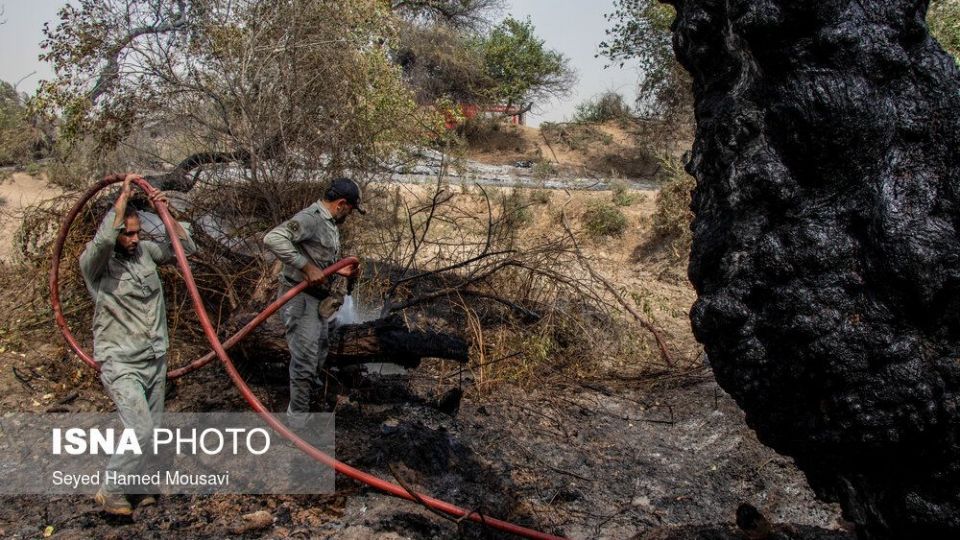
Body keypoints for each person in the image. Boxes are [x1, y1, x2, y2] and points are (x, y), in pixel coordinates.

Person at [79, 173, 197, 515]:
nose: (132, 239)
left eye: (136, 233)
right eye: (126, 233)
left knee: (152, 430)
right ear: (115, 231)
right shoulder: (96, 266)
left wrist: (165, 211)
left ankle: (136, 487)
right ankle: (111, 489)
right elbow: (102, 241)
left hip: (153, 358)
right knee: (140, 429)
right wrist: (124, 194)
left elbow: (185, 249)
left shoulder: (144, 253)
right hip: (121, 362)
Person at [263, 177, 364, 430]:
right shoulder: (312, 218)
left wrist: (337, 271)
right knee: (305, 362)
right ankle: (296, 425)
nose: (349, 216)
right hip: (299, 300)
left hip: (316, 299)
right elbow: (273, 239)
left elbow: (316, 257)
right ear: (341, 204)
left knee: (318, 353)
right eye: (350, 210)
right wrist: (305, 267)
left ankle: (312, 404)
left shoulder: (328, 223)